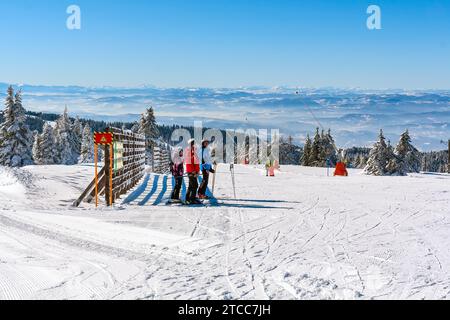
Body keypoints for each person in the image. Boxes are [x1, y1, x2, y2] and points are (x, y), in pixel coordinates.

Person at [184, 139, 201, 205]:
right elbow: (188, 162)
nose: (194, 144)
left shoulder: (193, 151)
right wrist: (193, 171)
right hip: (192, 171)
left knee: (191, 185)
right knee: (195, 185)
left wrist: (197, 171)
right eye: (193, 143)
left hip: (193, 171)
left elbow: (196, 162)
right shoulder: (189, 151)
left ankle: (188, 198)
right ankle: (192, 199)